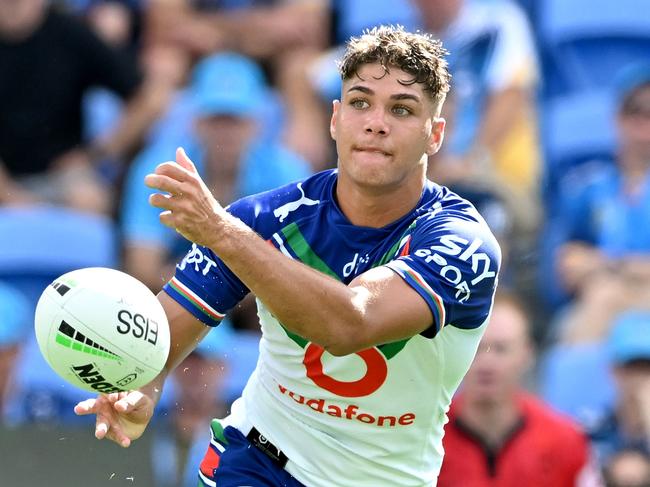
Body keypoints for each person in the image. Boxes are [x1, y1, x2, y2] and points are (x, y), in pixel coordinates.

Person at [74, 26, 501, 486]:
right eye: (360, 102)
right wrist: (140, 387)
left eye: (401, 109)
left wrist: (223, 233)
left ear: (434, 134)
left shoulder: (462, 243)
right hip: (256, 461)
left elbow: (349, 326)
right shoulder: (265, 217)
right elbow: (161, 339)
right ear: (335, 119)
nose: (375, 122)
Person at [121, 51, 312, 291]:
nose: (226, 132)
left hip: (252, 309)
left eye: (236, 119)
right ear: (196, 121)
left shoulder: (287, 171)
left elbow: (299, 274)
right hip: (180, 301)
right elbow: (142, 269)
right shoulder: (160, 168)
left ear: (257, 123)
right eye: (216, 119)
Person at [438, 291, 600, 487]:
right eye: (476, 348)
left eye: (501, 349)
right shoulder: (427, 437)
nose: (487, 362)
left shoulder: (564, 441)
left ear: (527, 353)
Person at [554, 62, 650, 344]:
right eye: (636, 113)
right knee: (597, 303)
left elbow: (587, 264)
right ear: (617, 119)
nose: (644, 127)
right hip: (598, 302)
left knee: (604, 296)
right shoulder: (588, 187)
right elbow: (567, 268)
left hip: (613, 297)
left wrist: (605, 265)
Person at [588, 311, 650, 466]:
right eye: (633, 367)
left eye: (648, 367)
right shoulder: (592, 430)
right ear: (613, 370)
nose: (642, 377)